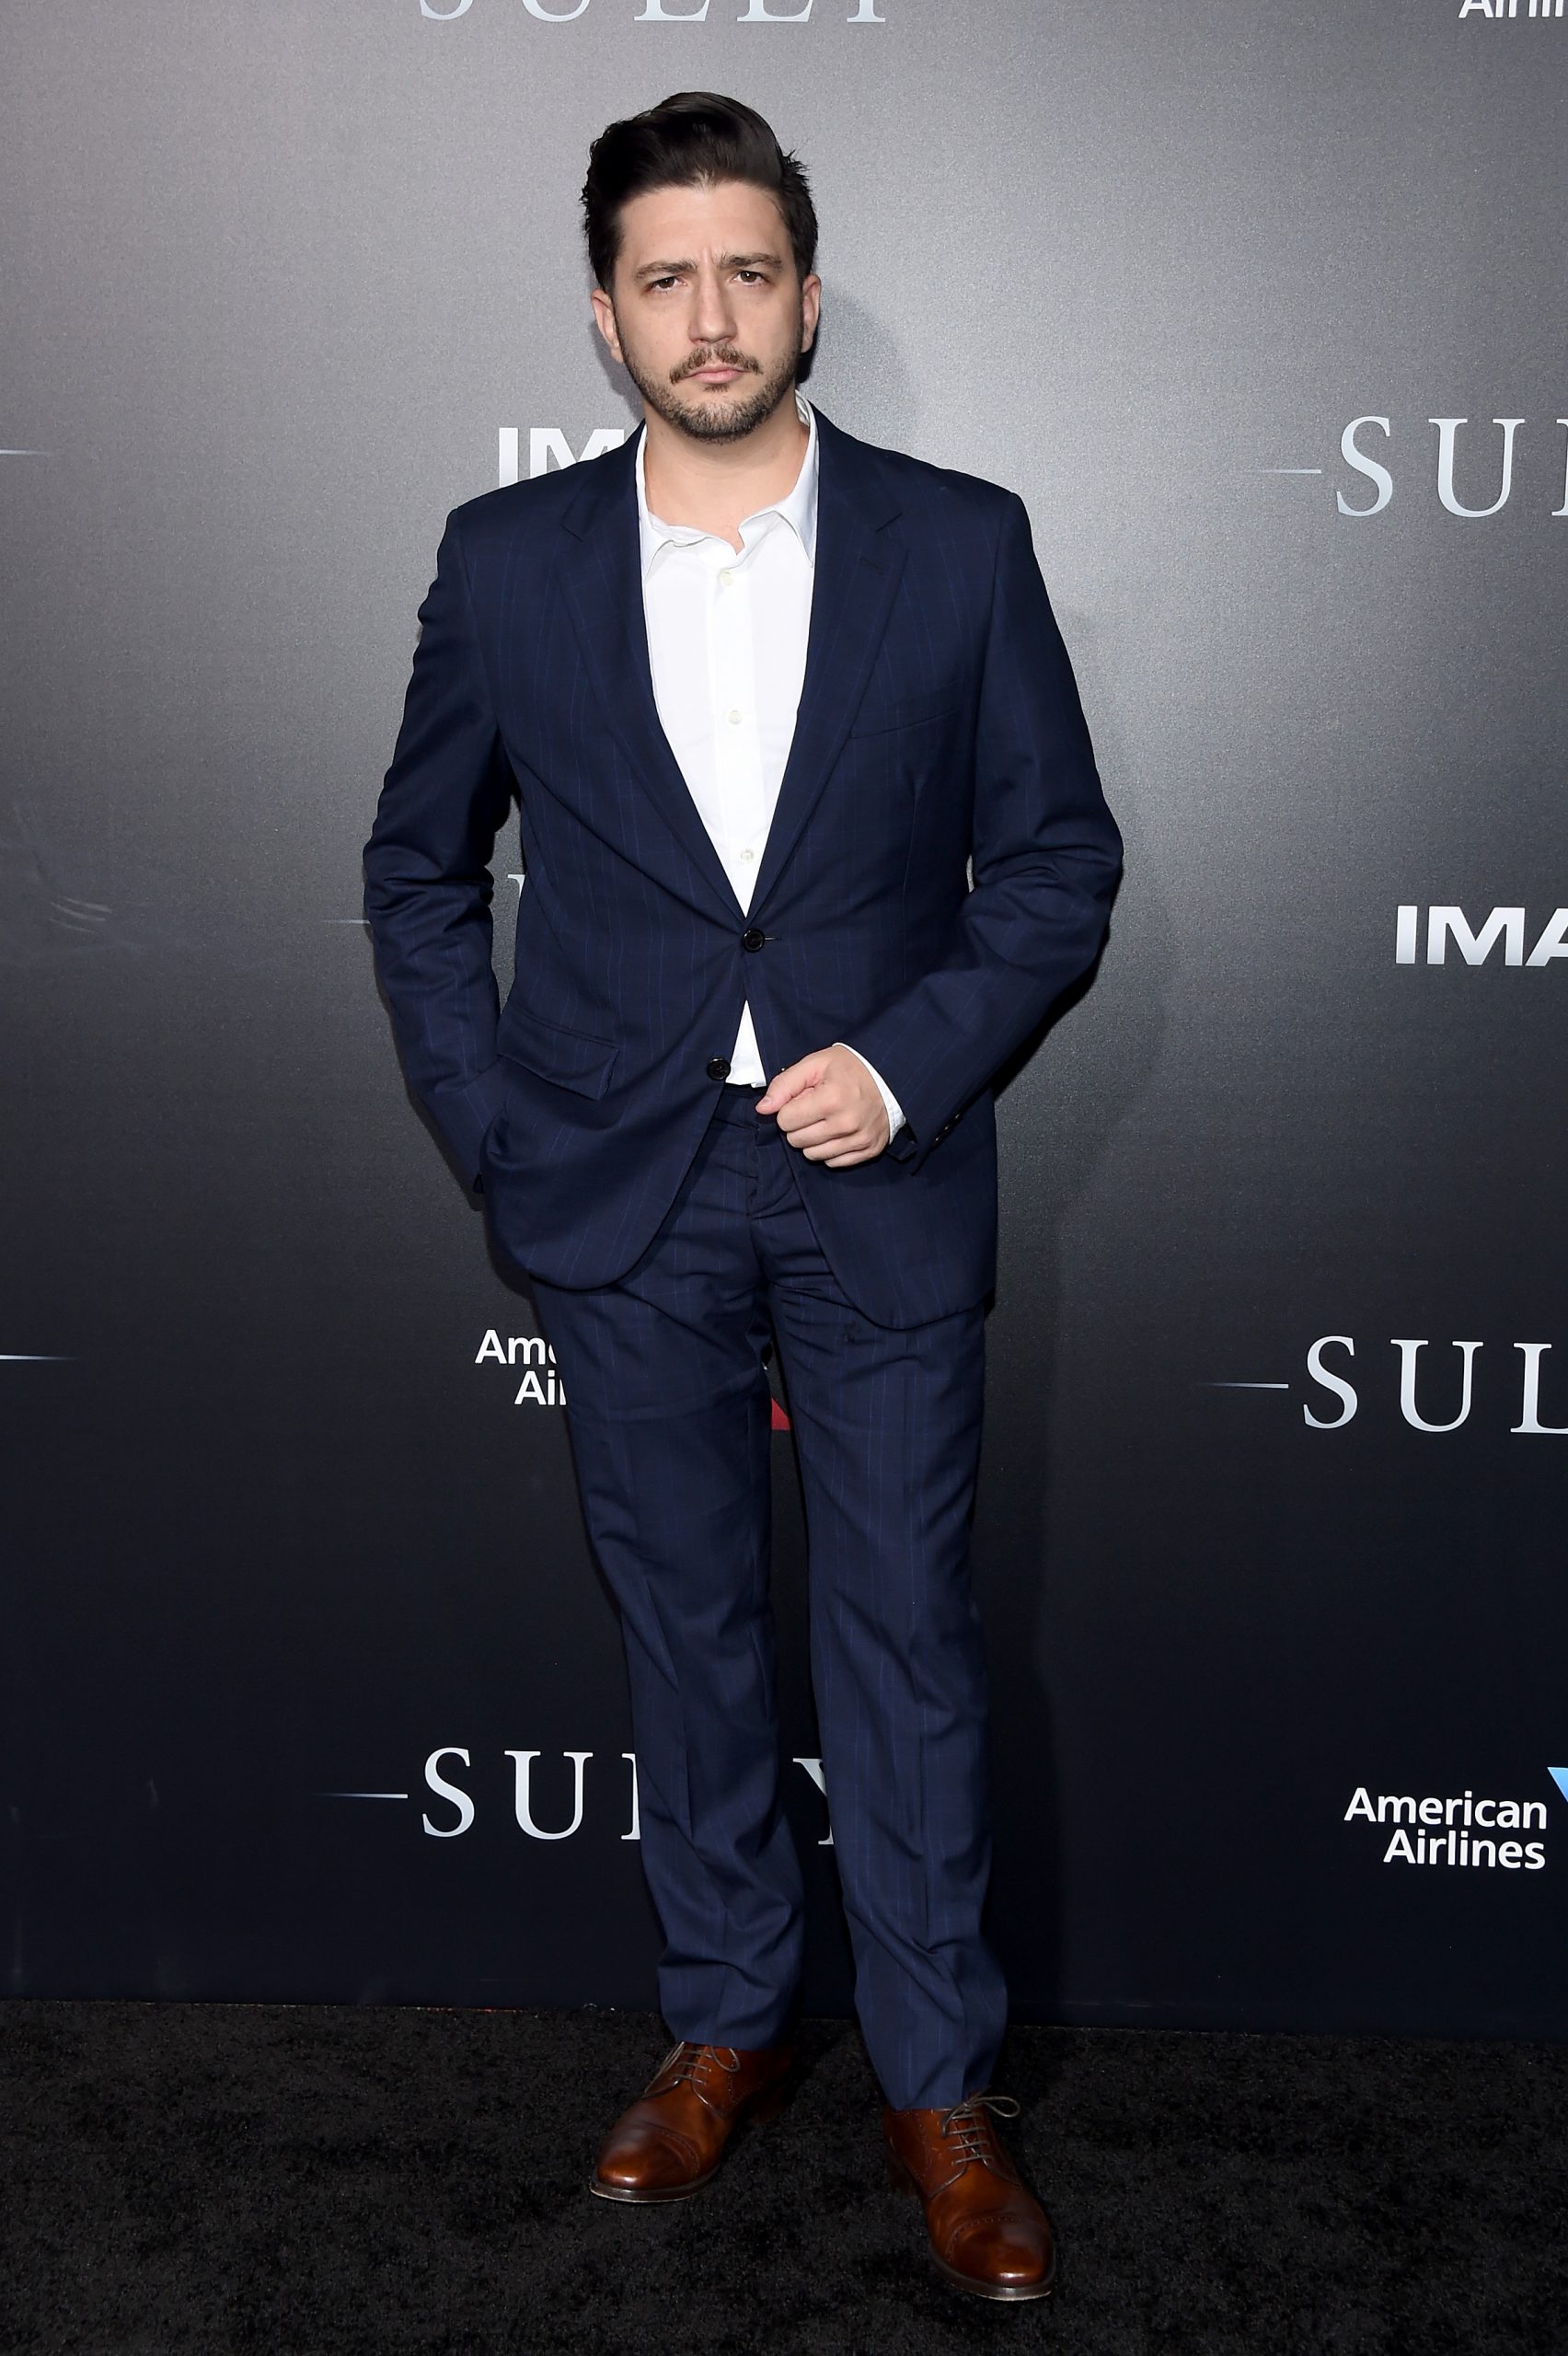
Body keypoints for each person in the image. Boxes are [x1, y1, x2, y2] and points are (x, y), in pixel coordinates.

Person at [363, 89, 1121, 2304]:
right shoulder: (507, 562)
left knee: (903, 1643)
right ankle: (723, 2020)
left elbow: (1056, 861)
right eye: (666, 278)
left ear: (805, 293)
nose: (712, 316)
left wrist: (907, 1059)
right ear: (606, 316)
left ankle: (941, 2087)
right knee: (686, 1630)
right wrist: (499, 1124)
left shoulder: (958, 544)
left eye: (750, 271)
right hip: (625, 1188)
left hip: (876, 1175)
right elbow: (417, 871)